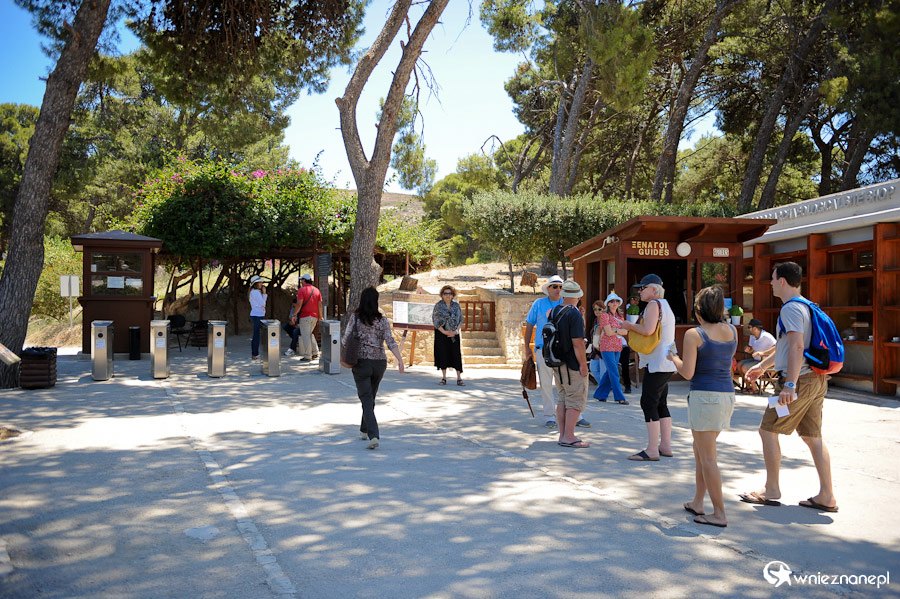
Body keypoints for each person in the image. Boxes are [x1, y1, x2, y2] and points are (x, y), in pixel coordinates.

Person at [743, 262, 838, 512]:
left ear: (782, 281)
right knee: (812, 437)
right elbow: (786, 346)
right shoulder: (806, 305)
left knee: (767, 431)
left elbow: (796, 347)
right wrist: (763, 366)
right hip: (815, 381)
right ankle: (827, 495)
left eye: (773, 279)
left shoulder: (790, 309)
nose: (771, 283)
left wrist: (790, 384)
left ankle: (771, 489)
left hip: (800, 381)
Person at [668, 286, 737, 528]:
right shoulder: (732, 331)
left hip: (704, 398)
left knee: (707, 458)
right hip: (726, 396)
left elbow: (687, 372)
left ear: (698, 311)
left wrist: (673, 358)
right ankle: (698, 501)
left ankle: (719, 513)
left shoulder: (694, 334)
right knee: (700, 451)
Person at [620, 274, 676, 461]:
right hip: (667, 361)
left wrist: (629, 325)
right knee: (661, 403)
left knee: (648, 402)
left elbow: (648, 330)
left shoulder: (654, 305)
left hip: (657, 362)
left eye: (642, 288)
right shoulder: (666, 305)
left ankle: (652, 449)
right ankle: (665, 445)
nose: (639, 291)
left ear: (654, 289)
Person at [342, 286, 405, 450]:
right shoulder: (383, 320)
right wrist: (400, 360)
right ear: (376, 301)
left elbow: (345, 340)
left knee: (366, 399)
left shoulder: (356, 318)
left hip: (361, 363)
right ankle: (364, 429)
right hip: (379, 363)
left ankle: (373, 435)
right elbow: (390, 341)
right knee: (370, 398)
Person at [524, 275, 590, 429]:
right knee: (547, 384)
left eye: (560, 286)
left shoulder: (566, 305)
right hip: (544, 350)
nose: (558, 289)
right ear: (548, 288)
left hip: (563, 351)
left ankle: (576, 416)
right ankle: (549, 416)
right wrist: (526, 346)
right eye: (554, 286)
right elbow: (529, 324)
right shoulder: (539, 304)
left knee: (567, 385)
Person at [552, 280, 590, 448]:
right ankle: (569, 436)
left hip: (558, 362)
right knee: (575, 399)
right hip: (572, 364)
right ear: (578, 296)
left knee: (562, 398)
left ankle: (562, 435)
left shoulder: (554, 311)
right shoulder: (573, 314)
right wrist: (583, 364)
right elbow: (578, 343)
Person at [593, 292, 629, 404]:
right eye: (612, 301)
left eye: (617, 301)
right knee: (614, 372)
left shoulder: (619, 316)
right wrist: (618, 330)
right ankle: (619, 397)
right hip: (606, 346)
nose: (615, 303)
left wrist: (615, 330)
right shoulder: (604, 315)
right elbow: (608, 332)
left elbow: (626, 331)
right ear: (608, 304)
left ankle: (600, 394)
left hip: (617, 346)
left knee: (610, 371)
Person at [432, 285, 464, 386]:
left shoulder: (456, 306)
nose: (447, 295)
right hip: (442, 333)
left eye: (449, 293)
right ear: (442, 295)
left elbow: (460, 319)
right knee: (443, 354)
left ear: (452, 295)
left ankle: (459, 378)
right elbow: (436, 320)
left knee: (456, 355)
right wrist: (445, 332)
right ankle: (444, 378)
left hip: (454, 334)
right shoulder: (438, 306)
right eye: (445, 293)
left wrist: (455, 331)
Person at [289, 273, 323, 362]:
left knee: (305, 336)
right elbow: (320, 305)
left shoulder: (302, 290)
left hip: (305, 316)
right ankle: (315, 352)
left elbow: (299, 303)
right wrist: (321, 317)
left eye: (301, 280)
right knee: (309, 334)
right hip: (314, 317)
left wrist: (294, 315)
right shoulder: (317, 290)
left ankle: (308, 356)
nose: (301, 282)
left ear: (304, 280)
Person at [738, 318, 776, 393]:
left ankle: (754, 389)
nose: (748, 329)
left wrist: (763, 353)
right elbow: (752, 349)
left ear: (755, 328)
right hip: (756, 359)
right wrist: (748, 350)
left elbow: (776, 346)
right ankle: (748, 387)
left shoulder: (766, 336)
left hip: (764, 361)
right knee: (739, 365)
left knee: (745, 367)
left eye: (749, 327)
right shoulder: (752, 337)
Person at [588, 300, 607, 389]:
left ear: (604, 309)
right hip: (595, 349)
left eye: (599, 309)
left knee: (603, 371)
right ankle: (604, 386)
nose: (597, 311)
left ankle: (603, 388)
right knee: (593, 368)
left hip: (604, 348)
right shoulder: (596, 320)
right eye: (595, 309)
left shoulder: (607, 319)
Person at [248, 275, 267, 360]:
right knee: (256, 335)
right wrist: (264, 293)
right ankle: (255, 354)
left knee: (257, 335)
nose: (261, 284)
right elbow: (263, 303)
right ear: (256, 283)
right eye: (260, 282)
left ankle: (255, 353)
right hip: (257, 315)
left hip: (258, 315)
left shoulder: (254, 292)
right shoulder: (255, 292)